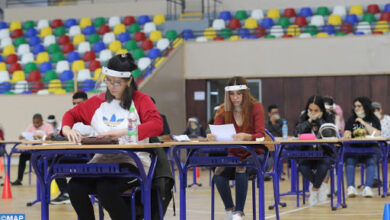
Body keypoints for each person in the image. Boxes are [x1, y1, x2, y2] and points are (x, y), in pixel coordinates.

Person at [62, 53, 163, 220]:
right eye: (108, 80)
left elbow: (156, 125)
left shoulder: (142, 100)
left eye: (117, 82)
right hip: (102, 161)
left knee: (105, 188)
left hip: (132, 161)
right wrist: (67, 129)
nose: (111, 86)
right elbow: (71, 114)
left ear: (129, 81)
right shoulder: (97, 102)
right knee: (74, 187)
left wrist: (123, 132)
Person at [207, 76, 266, 220]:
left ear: (245, 94)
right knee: (218, 173)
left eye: (238, 94)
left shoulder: (256, 107)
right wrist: (212, 136)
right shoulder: (223, 110)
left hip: (256, 156)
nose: (235, 98)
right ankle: (230, 209)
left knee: (242, 167)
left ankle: (239, 212)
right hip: (234, 157)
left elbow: (261, 136)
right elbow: (216, 130)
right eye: (232, 94)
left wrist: (248, 137)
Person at [294, 95, 334, 206]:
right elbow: (296, 132)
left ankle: (314, 190)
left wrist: (320, 120)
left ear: (321, 110)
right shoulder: (304, 117)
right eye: (310, 110)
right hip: (307, 153)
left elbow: (330, 133)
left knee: (324, 165)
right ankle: (319, 186)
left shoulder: (328, 117)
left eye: (316, 110)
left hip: (324, 153)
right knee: (302, 166)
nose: (312, 112)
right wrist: (309, 120)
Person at [344, 96, 381, 198]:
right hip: (354, 149)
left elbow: (377, 134)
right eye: (355, 106)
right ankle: (351, 187)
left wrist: (363, 123)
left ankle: (367, 188)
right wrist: (347, 134)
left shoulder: (374, 119)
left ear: (365, 106)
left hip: (370, 149)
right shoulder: (351, 119)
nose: (356, 108)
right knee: (350, 161)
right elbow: (347, 131)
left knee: (371, 161)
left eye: (359, 106)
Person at [13, 114, 54, 185]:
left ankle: (43, 179)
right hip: (33, 150)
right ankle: (19, 179)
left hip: (44, 151)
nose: (35, 124)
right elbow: (23, 136)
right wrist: (22, 136)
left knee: (42, 160)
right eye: (34, 122)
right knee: (22, 157)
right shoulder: (30, 126)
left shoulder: (48, 126)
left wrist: (42, 137)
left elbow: (51, 137)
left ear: (42, 121)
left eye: (37, 122)